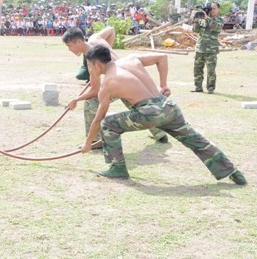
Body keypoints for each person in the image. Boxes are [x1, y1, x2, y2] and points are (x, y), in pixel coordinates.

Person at [81, 44, 246, 185]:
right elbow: (162, 57)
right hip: (168, 106)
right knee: (195, 139)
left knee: (108, 124)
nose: (89, 70)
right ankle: (231, 171)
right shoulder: (131, 59)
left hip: (149, 113)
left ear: (96, 65)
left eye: (89, 66)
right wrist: (163, 84)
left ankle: (118, 168)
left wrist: (88, 143)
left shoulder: (108, 84)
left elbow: (98, 119)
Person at [62, 27, 168, 149]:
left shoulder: (92, 61)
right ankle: (159, 133)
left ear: (79, 42)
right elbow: (112, 30)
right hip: (130, 78)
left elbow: (95, 91)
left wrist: (77, 99)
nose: (69, 50)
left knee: (92, 102)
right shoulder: (95, 38)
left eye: (69, 46)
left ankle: (95, 140)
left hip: (119, 81)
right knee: (137, 103)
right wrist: (107, 52)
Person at [191, 2, 223, 94]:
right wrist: (196, 21)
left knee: (211, 70)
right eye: (210, 9)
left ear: (218, 10)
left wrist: (207, 18)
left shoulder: (219, 20)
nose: (211, 11)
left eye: (214, 9)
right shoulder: (202, 19)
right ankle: (198, 87)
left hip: (211, 49)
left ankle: (210, 88)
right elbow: (195, 30)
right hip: (200, 48)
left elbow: (217, 28)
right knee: (197, 69)